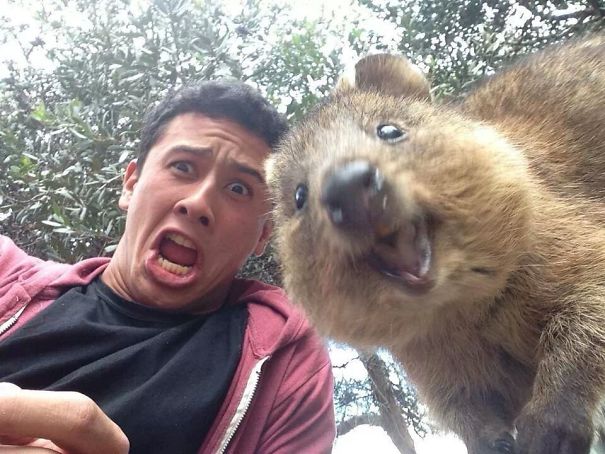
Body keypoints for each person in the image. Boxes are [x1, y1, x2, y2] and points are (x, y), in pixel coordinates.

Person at [0, 80, 336, 453]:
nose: (198, 203)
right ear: (131, 184)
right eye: (183, 166)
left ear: (263, 235)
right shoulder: (6, 273)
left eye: (239, 188)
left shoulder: (287, 362)